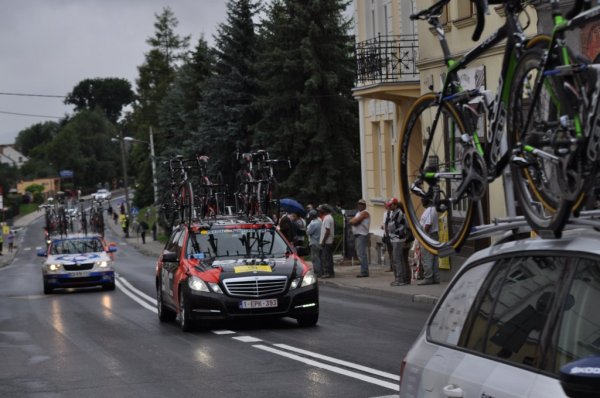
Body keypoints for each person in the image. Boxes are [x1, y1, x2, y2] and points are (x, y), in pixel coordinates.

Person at [386, 198, 411, 286]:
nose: (389, 206)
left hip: (398, 238)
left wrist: (389, 225)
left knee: (397, 259)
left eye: (390, 205)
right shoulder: (394, 213)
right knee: (399, 259)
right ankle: (402, 279)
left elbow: (392, 227)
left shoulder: (399, 213)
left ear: (395, 205)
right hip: (396, 238)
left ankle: (400, 279)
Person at [418, 198, 440, 285]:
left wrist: (423, 236)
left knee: (427, 257)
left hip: (429, 235)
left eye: (423, 199)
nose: (422, 201)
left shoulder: (430, 210)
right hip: (433, 235)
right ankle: (435, 277)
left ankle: (428, 278)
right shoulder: (432, 209)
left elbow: (428, 224)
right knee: (434, 258)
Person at [350, 199, 371, 277]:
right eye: (359, 204)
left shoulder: (365, 213)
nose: (360, 205)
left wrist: (353, 221)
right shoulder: (358, 213)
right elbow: (352, 221)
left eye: (361, 204)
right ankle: (363, 270)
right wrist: (353, 221)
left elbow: (355, 222)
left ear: (364, 205)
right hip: (358, 235)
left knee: (361, 254)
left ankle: (364, 271)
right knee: (360, 254)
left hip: (362, 235)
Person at [318, 204, 335, 278]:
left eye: (321, 209)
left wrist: (323, 241)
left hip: (327, 242)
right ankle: (331, 272)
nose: (319, 211)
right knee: (329, 257)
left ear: (324, 210)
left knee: (326, 257)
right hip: (328, 241)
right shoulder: (329, 217)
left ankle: (327, 272)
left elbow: (327, 231)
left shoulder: (327, 218)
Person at [306, 210, 322, 277]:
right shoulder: (320, 222)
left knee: (315, 258)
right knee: (319, 257)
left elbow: (308, 232)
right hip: (320, 242)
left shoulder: (313, 224)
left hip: (314, 242)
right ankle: (321, 271)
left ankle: (317, 272)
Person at [381, 200, 394, 272]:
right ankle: (391, 266)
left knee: (393, 252)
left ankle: (394, 266)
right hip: (386, 235)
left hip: (391, 235)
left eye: (386, 205)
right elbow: (384, 224)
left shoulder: (392, 213)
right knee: (389, 252)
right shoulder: (385, 213)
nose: (385, 206)